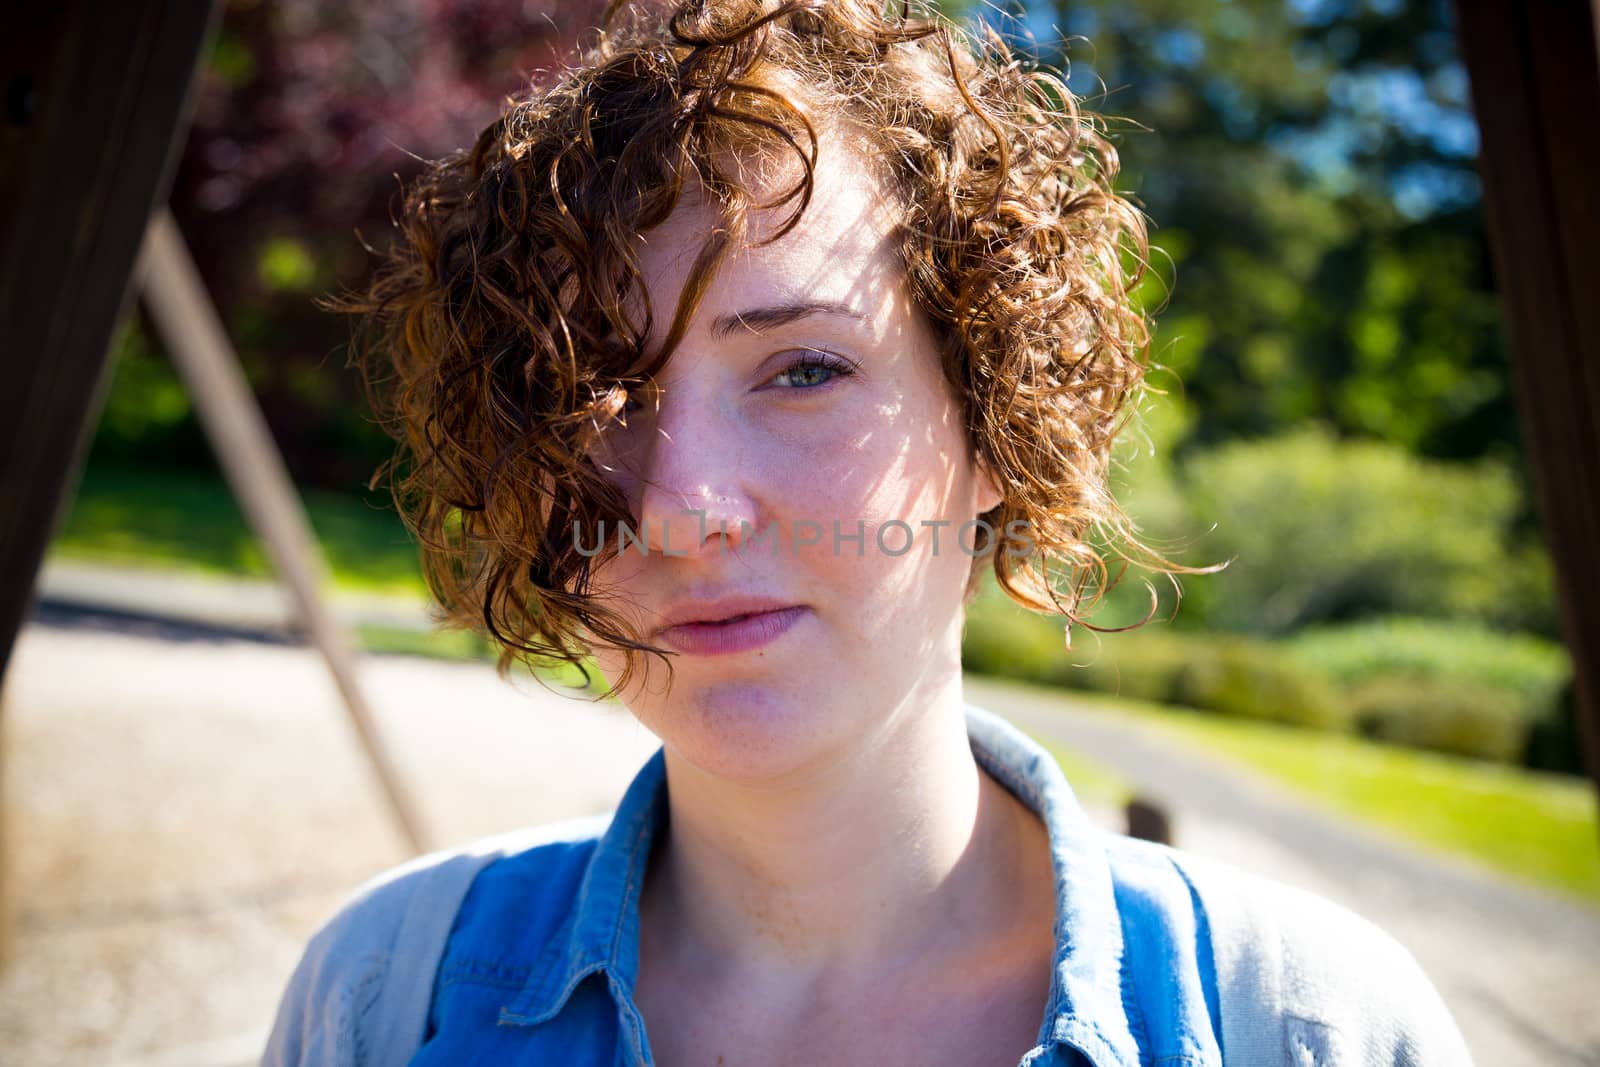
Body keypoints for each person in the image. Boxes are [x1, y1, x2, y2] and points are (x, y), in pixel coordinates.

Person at [264, 0, 1475, 1063]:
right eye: (596, 397)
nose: (683, 506)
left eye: (802, 370)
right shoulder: (381, 999)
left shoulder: (1314, 1030)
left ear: (994, 421)